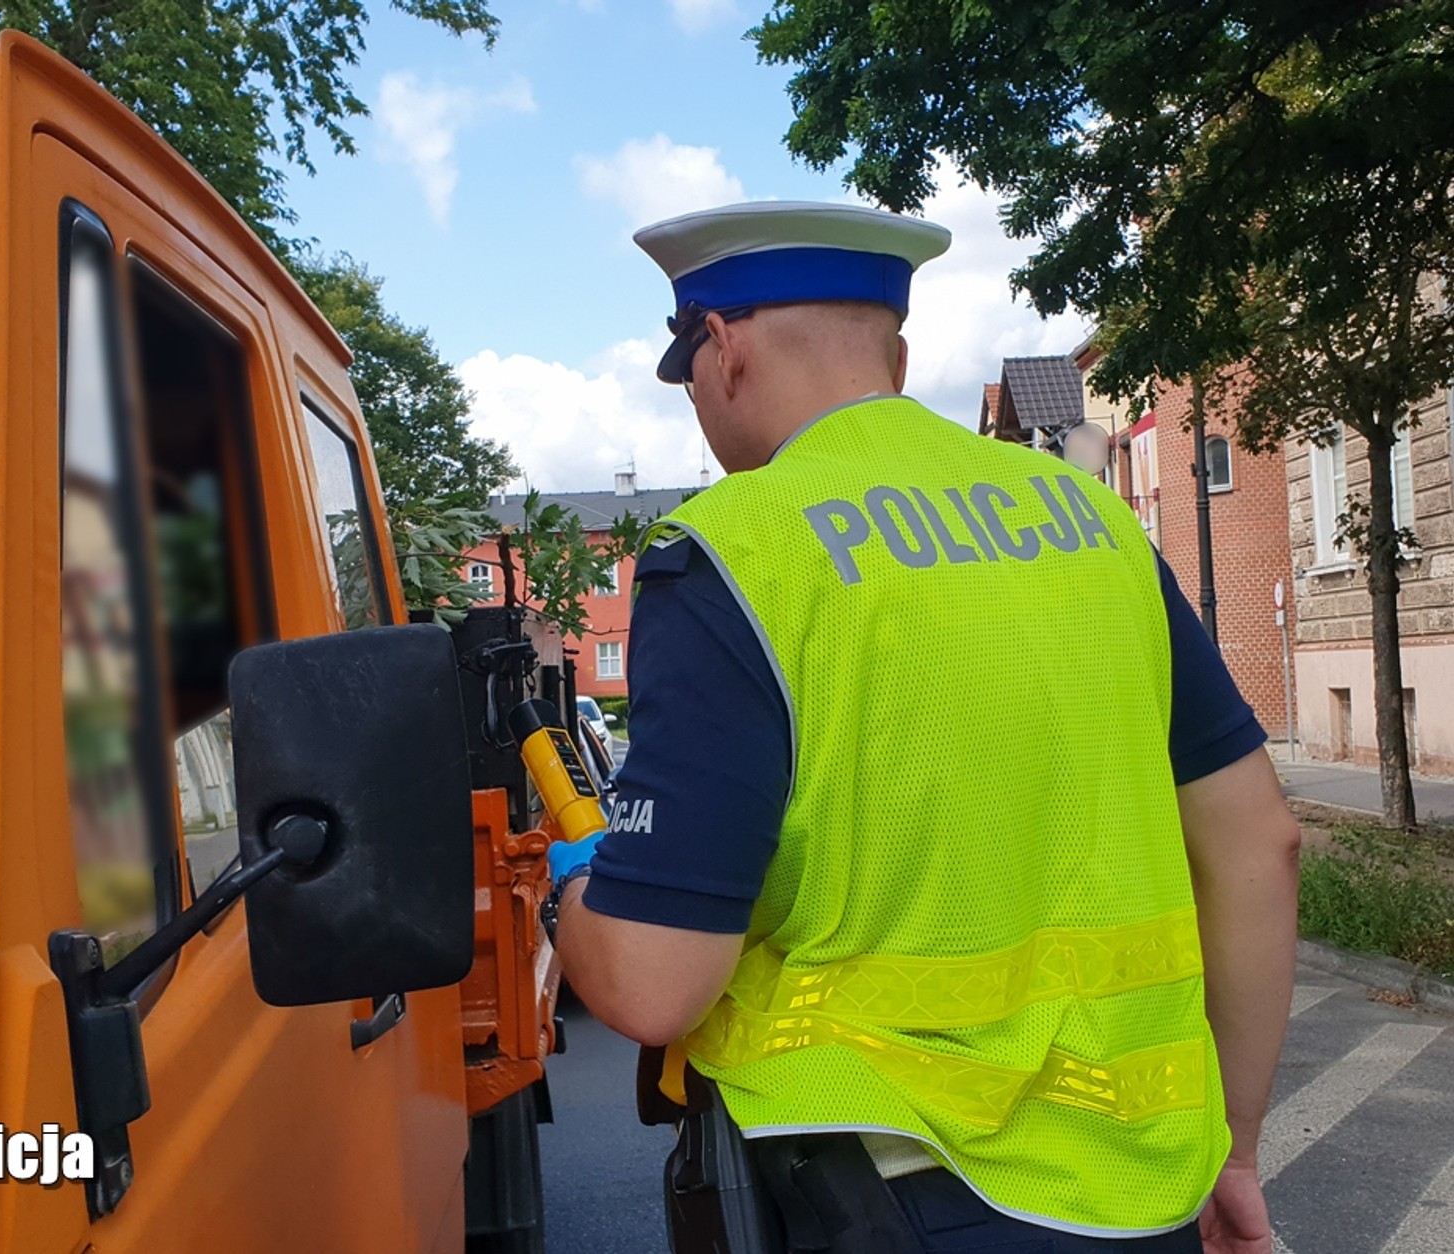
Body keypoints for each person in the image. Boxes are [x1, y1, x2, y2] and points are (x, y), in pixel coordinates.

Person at [542, 201, 1301, 1254]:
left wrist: (574, 890)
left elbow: (650, 983)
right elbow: (1260, 845)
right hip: (1145, 1191)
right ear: (892, 355)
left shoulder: (732, 552)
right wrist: (1233, 1150)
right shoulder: (1093, 523)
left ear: (719, 346)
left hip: (882, 1192)